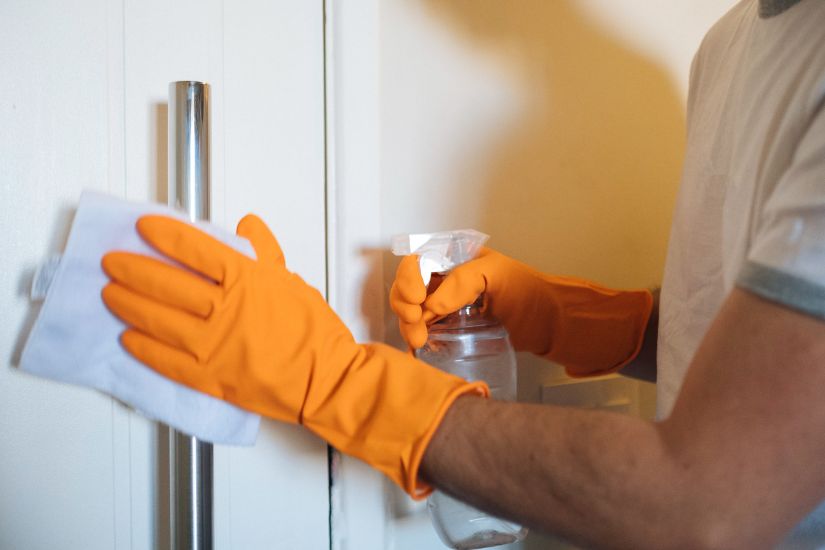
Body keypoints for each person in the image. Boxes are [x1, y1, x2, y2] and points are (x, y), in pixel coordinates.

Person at [100, 0, 825, 547]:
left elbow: (705, 502)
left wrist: (343, 384)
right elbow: (744, 346)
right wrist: (566, 316)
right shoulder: (728, 45)